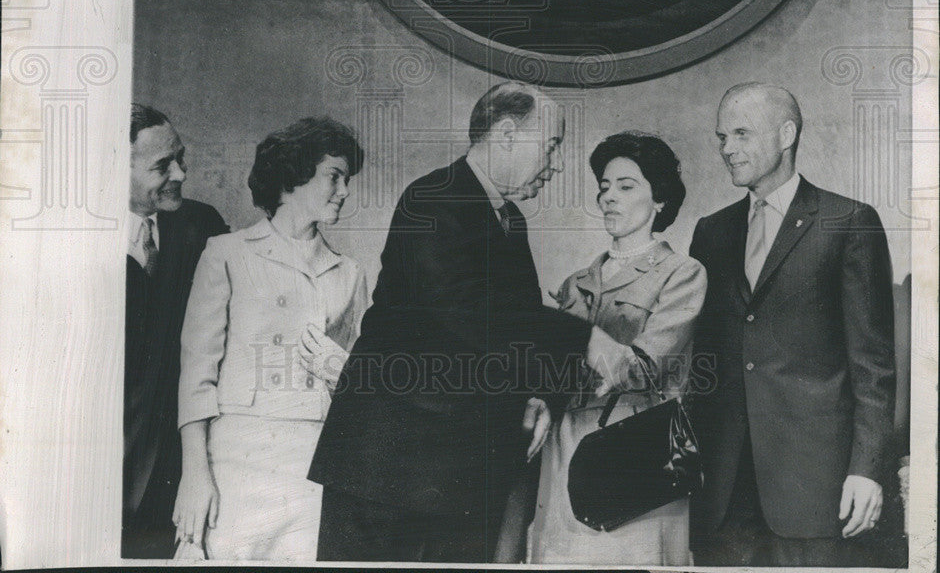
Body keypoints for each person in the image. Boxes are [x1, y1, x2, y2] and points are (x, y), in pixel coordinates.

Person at [309, 82, 635, 563]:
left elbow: (508, 332)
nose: (557, 162)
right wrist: (587, 339)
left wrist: (540, 393)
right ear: (505, 135)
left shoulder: (510, 219)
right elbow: (467, 313)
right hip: (388, 471)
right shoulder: (432, 199)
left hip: (458, 471)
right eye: (551, 145)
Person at [690, 83, 896, 567]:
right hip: (723, 491)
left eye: (741, 133)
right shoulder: (711, 231)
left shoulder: (848, 222)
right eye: (722, 137)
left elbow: (874, 367)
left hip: (815, 490)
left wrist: (866, 471)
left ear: (786, 134)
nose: (727, 149)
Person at [173, 116, 369, 562]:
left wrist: (345, 373)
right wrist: (194, 474)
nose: (345, 191)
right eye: (334, 177)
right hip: (236, 459)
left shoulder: (350, 274)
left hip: (315, 463)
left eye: (347, 180)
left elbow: (361, 385)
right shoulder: (226, 253)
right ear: (294, 176)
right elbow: (196, 373)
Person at [527, 131, 707, 565]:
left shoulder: (682, 274)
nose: (609, 197)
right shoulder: (576, 282)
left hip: (637, 448)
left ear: (659, 199)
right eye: (605, 187)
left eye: (627, 186)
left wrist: (576, 341)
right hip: (564, 444)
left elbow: (644, 369)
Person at [123, 104, 228, 558]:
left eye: (180, 158)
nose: (181, 174)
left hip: (180, 469)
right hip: (105, 472)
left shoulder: (201, 227)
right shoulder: (70, 243)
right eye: (163, 165)